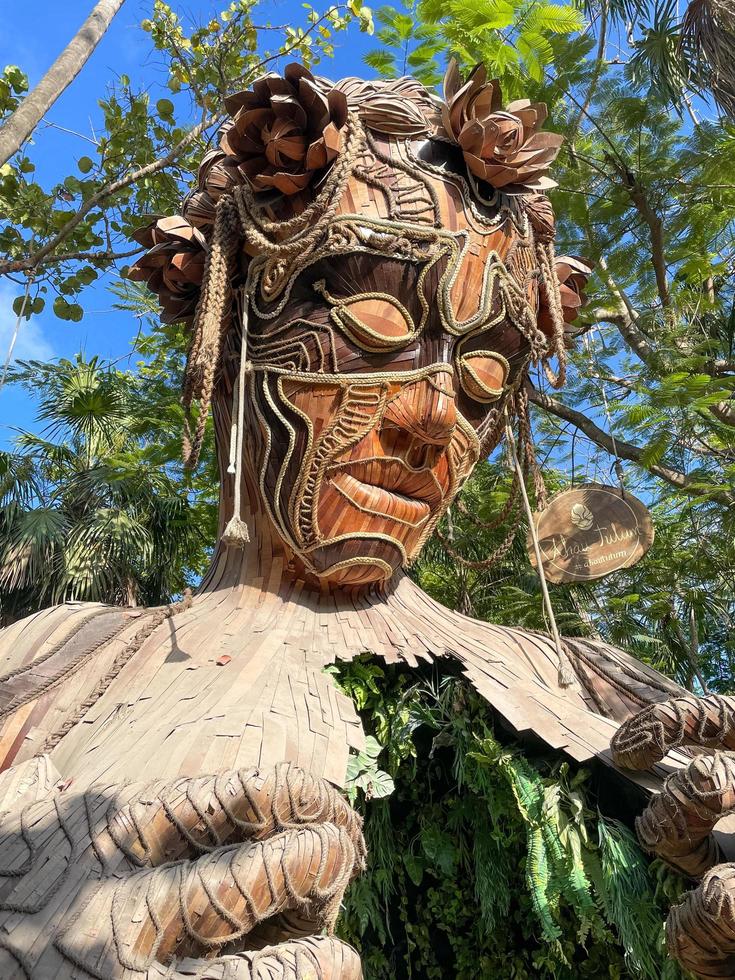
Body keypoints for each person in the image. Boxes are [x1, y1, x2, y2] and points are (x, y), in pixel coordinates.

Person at [0, 62, 729, 979]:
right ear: (228, 350)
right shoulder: (51, 664)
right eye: (373, 318)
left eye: (485, 372)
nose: (431, 418)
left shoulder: (576, 677)